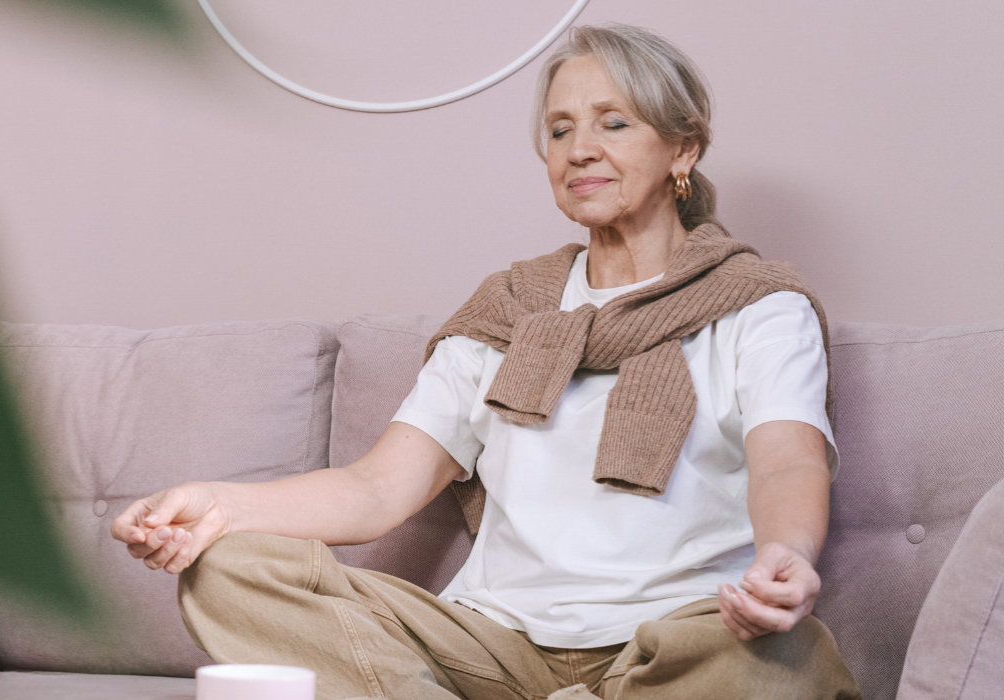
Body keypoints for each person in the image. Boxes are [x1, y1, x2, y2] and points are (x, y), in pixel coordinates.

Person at [111, 24, 862, 700]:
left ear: (683, 148)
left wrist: (785, 553)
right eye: (560, 129)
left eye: (613, 123)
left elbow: (786, 464)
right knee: (227, 569)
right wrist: (213, 504)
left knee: (782, 658)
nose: (579, 150)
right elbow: (376, 489)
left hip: (669, 649)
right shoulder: (509, 310)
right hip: (491, 645)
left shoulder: (756, 306)